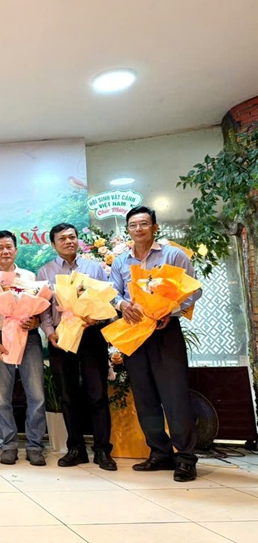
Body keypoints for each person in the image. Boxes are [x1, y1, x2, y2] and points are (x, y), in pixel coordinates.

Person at [110, 206, 202, 482]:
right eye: (133, 225)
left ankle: (185, 458)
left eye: (144, 224)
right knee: (145, 396)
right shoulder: (120, 261)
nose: (138, 229)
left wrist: (169, 311)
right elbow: (113, 292)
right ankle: (159, 452)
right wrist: (122, 305)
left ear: (154, 227)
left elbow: (194, 289)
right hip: (135, 331)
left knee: (175, 396)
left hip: (165, 331)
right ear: (128, 230)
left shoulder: (173, 255)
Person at [38, 223, 116, 471]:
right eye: (62, 239)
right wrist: (49, 332)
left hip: (91, 335)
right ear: (53, 244)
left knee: (97, 393)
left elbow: (107, 299)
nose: (68, 241)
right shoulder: (45, 271)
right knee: (68, 395)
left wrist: (98, 318)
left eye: (72, 237)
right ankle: (76, 449)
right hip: (61, 337)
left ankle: (102, 450)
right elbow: (42, 308)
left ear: (77, 240)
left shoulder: (94, 268)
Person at [0, 230, 47, 466]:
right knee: (1, 397)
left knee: (36, 395)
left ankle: (35, 446)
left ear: (16, 250)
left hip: (29, 339)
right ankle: (8, 445)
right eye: (0, 248)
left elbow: (40, 309)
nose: (5, 251)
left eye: (9, 247)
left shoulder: (29, 276)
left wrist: (34, 322)